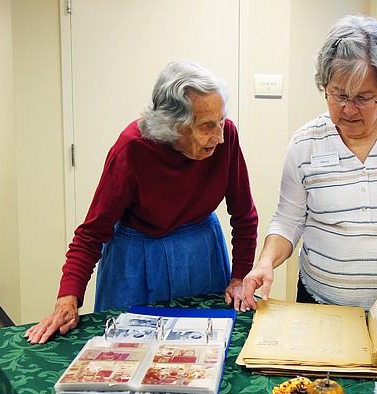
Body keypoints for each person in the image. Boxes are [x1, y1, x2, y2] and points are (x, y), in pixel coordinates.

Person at [240, 14, 377, 361]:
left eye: (363, 98)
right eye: (337, 95)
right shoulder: (305, 143)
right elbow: (287, 220)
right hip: (320, 307)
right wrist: (266, 262)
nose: (348, 109)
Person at [26, 61, 258, 344]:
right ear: (172, 126)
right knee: (128, 352)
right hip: (136, 259)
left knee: (204, 349)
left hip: (201, 255)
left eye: (221, 120)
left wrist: (239, 278)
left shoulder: (226, 137)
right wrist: (68, 298)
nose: (220, 135)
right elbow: (92, 233)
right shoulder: (132, 149)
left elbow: (244, 215)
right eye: (206, 126)